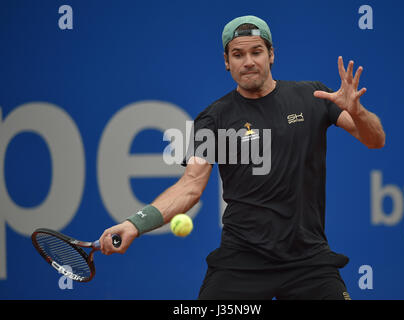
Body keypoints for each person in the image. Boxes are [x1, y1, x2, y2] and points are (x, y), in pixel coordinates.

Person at [99, 15, 385, 300]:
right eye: (238, 54)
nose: (248, 61)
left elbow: (375, 140)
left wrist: (358, 112)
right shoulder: (213, 119)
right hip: (241, 260)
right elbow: (190, 187)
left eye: (256, 52)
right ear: (227, 62)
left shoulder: (313, 97)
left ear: (271, 55)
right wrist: (136, 224)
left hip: (308, 259)